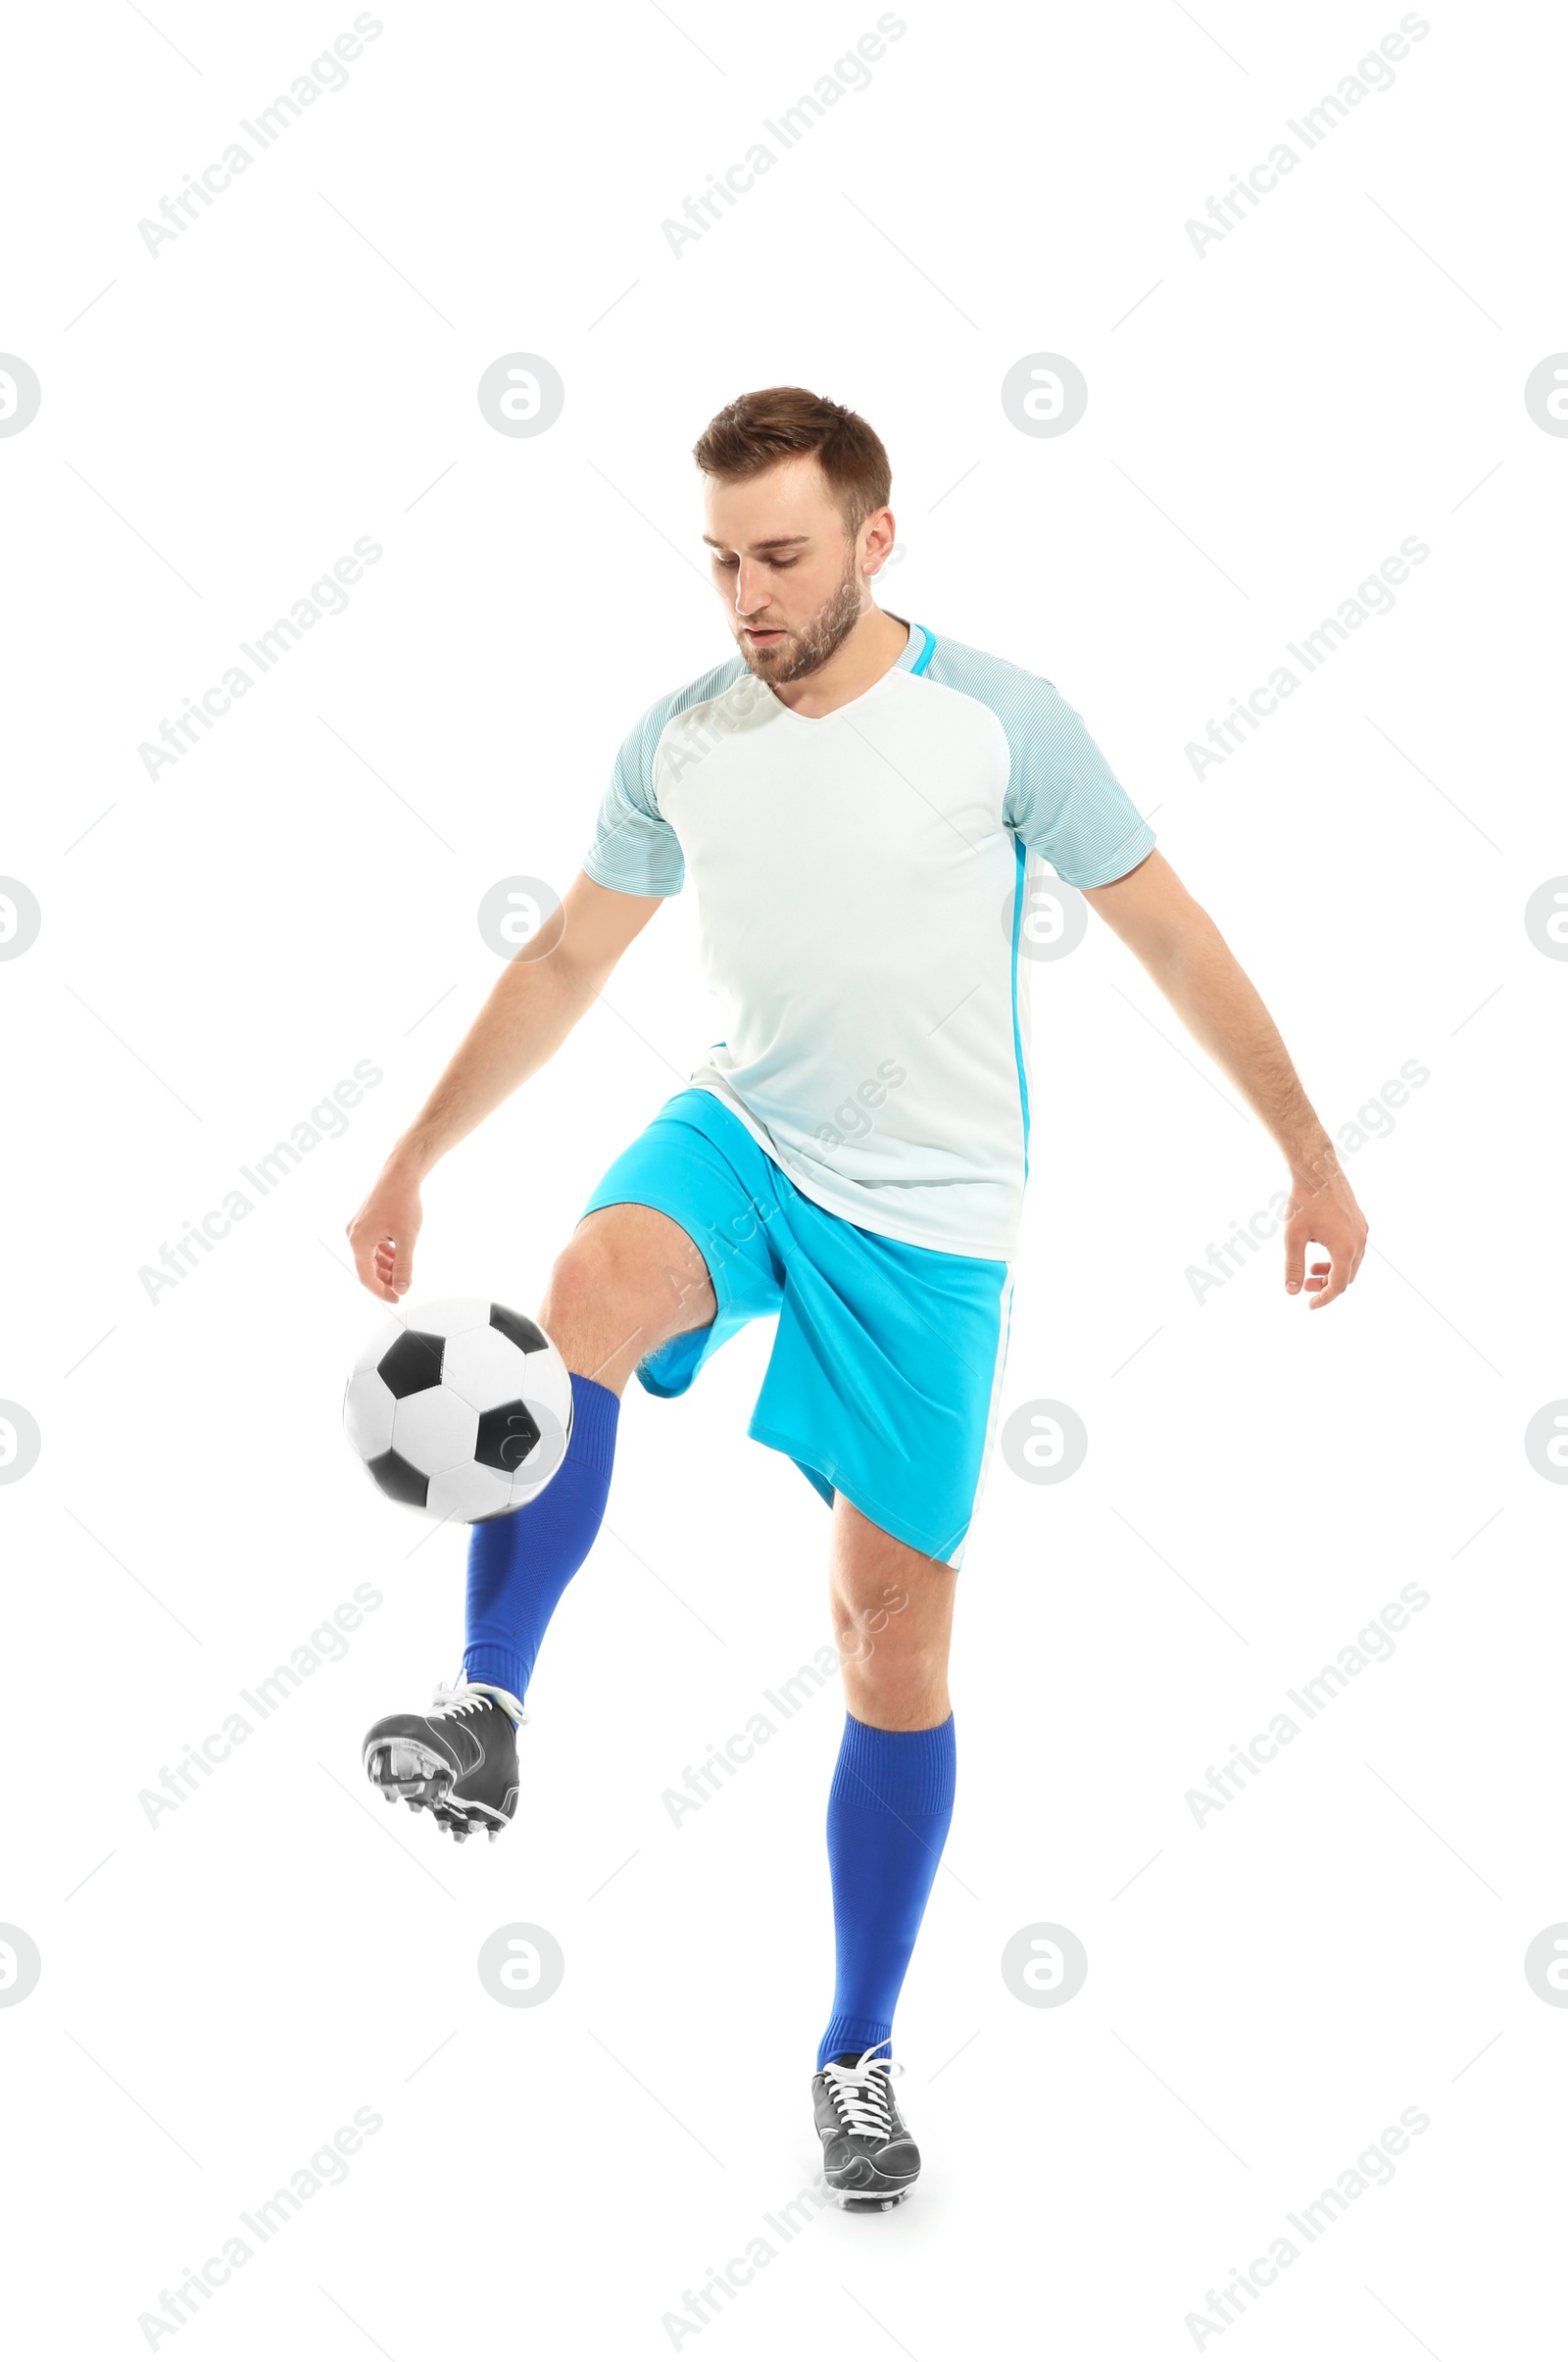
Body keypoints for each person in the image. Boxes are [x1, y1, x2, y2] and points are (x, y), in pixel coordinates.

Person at [345, 385, 1368, 2208]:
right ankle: (491, 1702)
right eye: (723, 557)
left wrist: (1307, 1150)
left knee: (890, 1646)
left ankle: (858, 2049)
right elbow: (576, 949)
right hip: (743, 1136)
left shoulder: (1002, 723)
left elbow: (1175, 932)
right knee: (587, 1281)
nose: (746, 591)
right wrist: (416, 1151)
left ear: (876, 539)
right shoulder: (682, 739)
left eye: (783, 554)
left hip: (932, 1224)